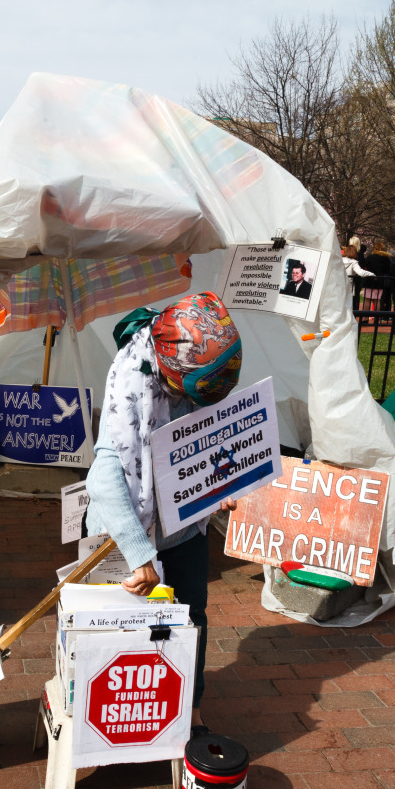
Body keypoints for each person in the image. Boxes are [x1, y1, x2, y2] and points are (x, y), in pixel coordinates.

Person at [84, 291, 243, 735]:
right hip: (122, 536)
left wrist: (218, 489)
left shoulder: (198, 373)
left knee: (192, 619)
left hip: (183, 530)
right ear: (171, 373)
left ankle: (189, 711)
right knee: (116, 635)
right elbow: (103, 479)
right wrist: (139, 554)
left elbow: (205, 447)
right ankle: (101, 727)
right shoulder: (132, 387)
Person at [342, 245, 376, 310]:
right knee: (348, 306)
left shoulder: (339, 260)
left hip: (338, 285)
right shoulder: (353, 262)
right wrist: (371, 274)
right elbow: (361, 272)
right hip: (349, 285)